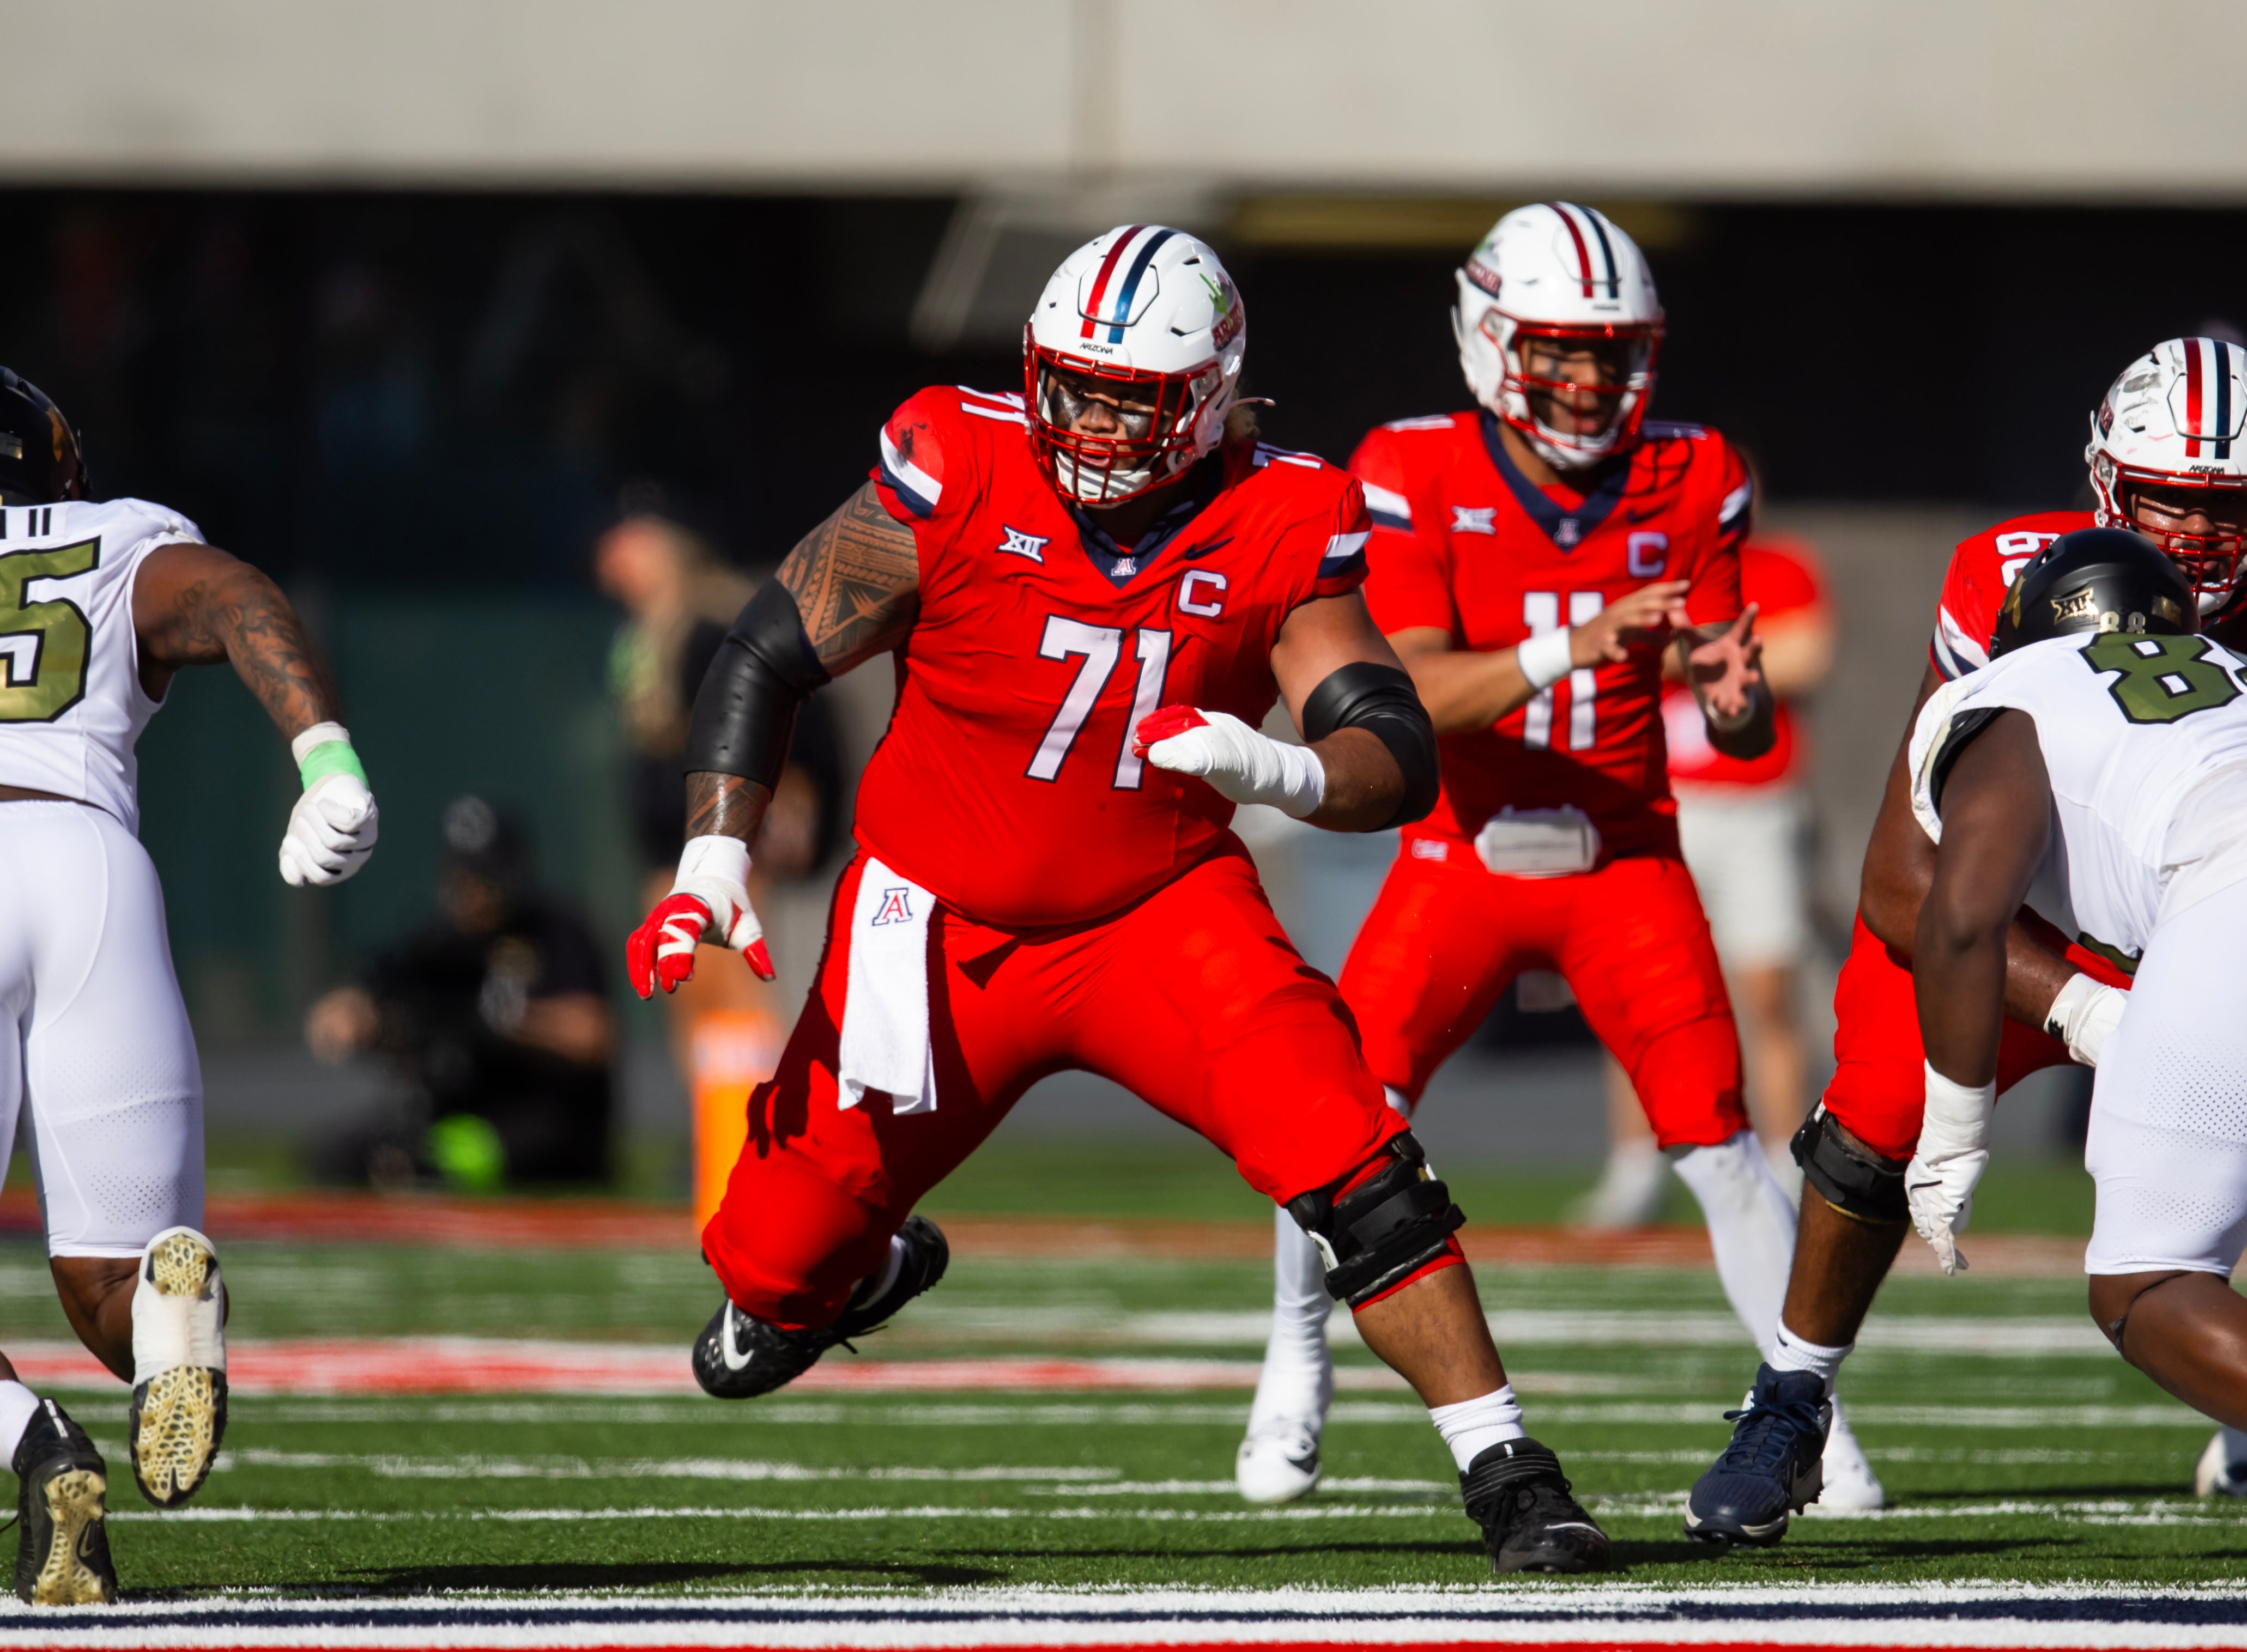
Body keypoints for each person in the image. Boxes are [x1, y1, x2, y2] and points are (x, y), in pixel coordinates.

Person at [628, 226, 1613, 1575]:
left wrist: (1280, 766)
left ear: (1207, 395)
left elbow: (1393, 739)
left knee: (1362, 1170)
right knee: (761, 1281)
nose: (1091, 421)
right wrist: (714, 859)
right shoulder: (955, 461)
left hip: (1160, 916)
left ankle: (1511, 1471)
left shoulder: (1278, 511)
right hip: (937, 923)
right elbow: (766, 648)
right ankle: (855, 1264)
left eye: (1129, 395)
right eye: (1073, 385)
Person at [1234, 201, 1879, 1513]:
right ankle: (1292, 1359)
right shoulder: (1411, 470)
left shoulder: (1693, 472)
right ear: (1488, 342)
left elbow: (1730, 693)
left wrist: (1738, 695)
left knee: (1723, 1143)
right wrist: (1575, 644)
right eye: (1558, 355)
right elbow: (1403, 690)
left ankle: (1805, 1415)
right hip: (1457, 853)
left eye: (1609, 356)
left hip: (1623, 861)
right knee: (1339, 1123)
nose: (1587, 385)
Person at [1686, 338, 2247, 1547]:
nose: (2199, 543)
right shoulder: (2015, 579)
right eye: (2170, 507)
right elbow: (1918, 881)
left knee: (2156, 1255)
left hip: (2198, 918)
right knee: (1877, 1106)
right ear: (2108, 487)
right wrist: (2090, 1010)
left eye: (2228, 511)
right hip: (2033, 920)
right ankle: (1793, 1395)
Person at [0, 369, 379, 1602]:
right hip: (93, 867)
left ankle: (34, 1445)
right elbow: (230, 597)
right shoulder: (117, 540)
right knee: (107, 1279)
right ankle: (167, 1329)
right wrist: (324, 761)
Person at [1906, 532, 2247, 1460]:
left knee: (2146, 1286)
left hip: (2225, 889)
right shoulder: (2231, 664)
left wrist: (1951, 1130)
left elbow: (1962, 918)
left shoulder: (2009, 689)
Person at [1577, 535, 1837, 1223]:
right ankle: (1635, 1166)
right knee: (1638, 990)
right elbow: (1606, 653)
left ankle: (1783, 1156)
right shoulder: (1637, 563)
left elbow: (1804, 654)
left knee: (1767, 987)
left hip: (1756, 804)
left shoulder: (1780, 566)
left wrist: (1675, 653)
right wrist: (1730, 655)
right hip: (1658, 801)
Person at [305, 797, 613, 1188]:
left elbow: (594, 1036)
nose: (471, 892)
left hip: (540, 1118)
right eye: (461, 877)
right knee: (337, 1156)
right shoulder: (435, 940)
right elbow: (354, 1005)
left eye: (484, 878)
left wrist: (508, 1021)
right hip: (455, 1110)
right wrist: (360, 1018)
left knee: (452, 1160)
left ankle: (428, 1164)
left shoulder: (558, 931)